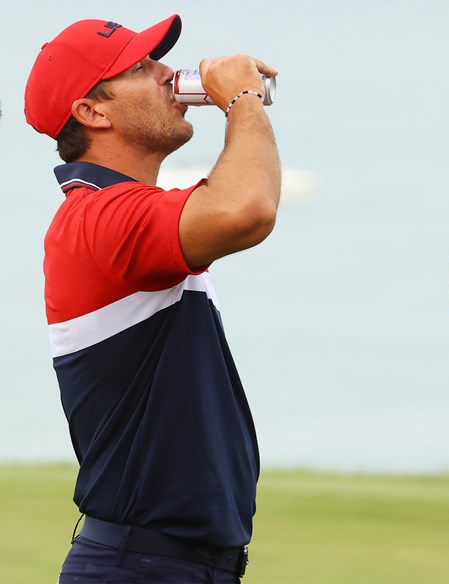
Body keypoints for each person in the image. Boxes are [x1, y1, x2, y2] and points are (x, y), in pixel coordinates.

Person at [24, 14, 280, 583]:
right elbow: (249, 208)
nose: (169, 73)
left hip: (172, 563)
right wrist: (240, 98)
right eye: (141, 67)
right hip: (141, 565)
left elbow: (228, 202)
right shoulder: (98, 219)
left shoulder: (123, 212)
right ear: (93, 112)